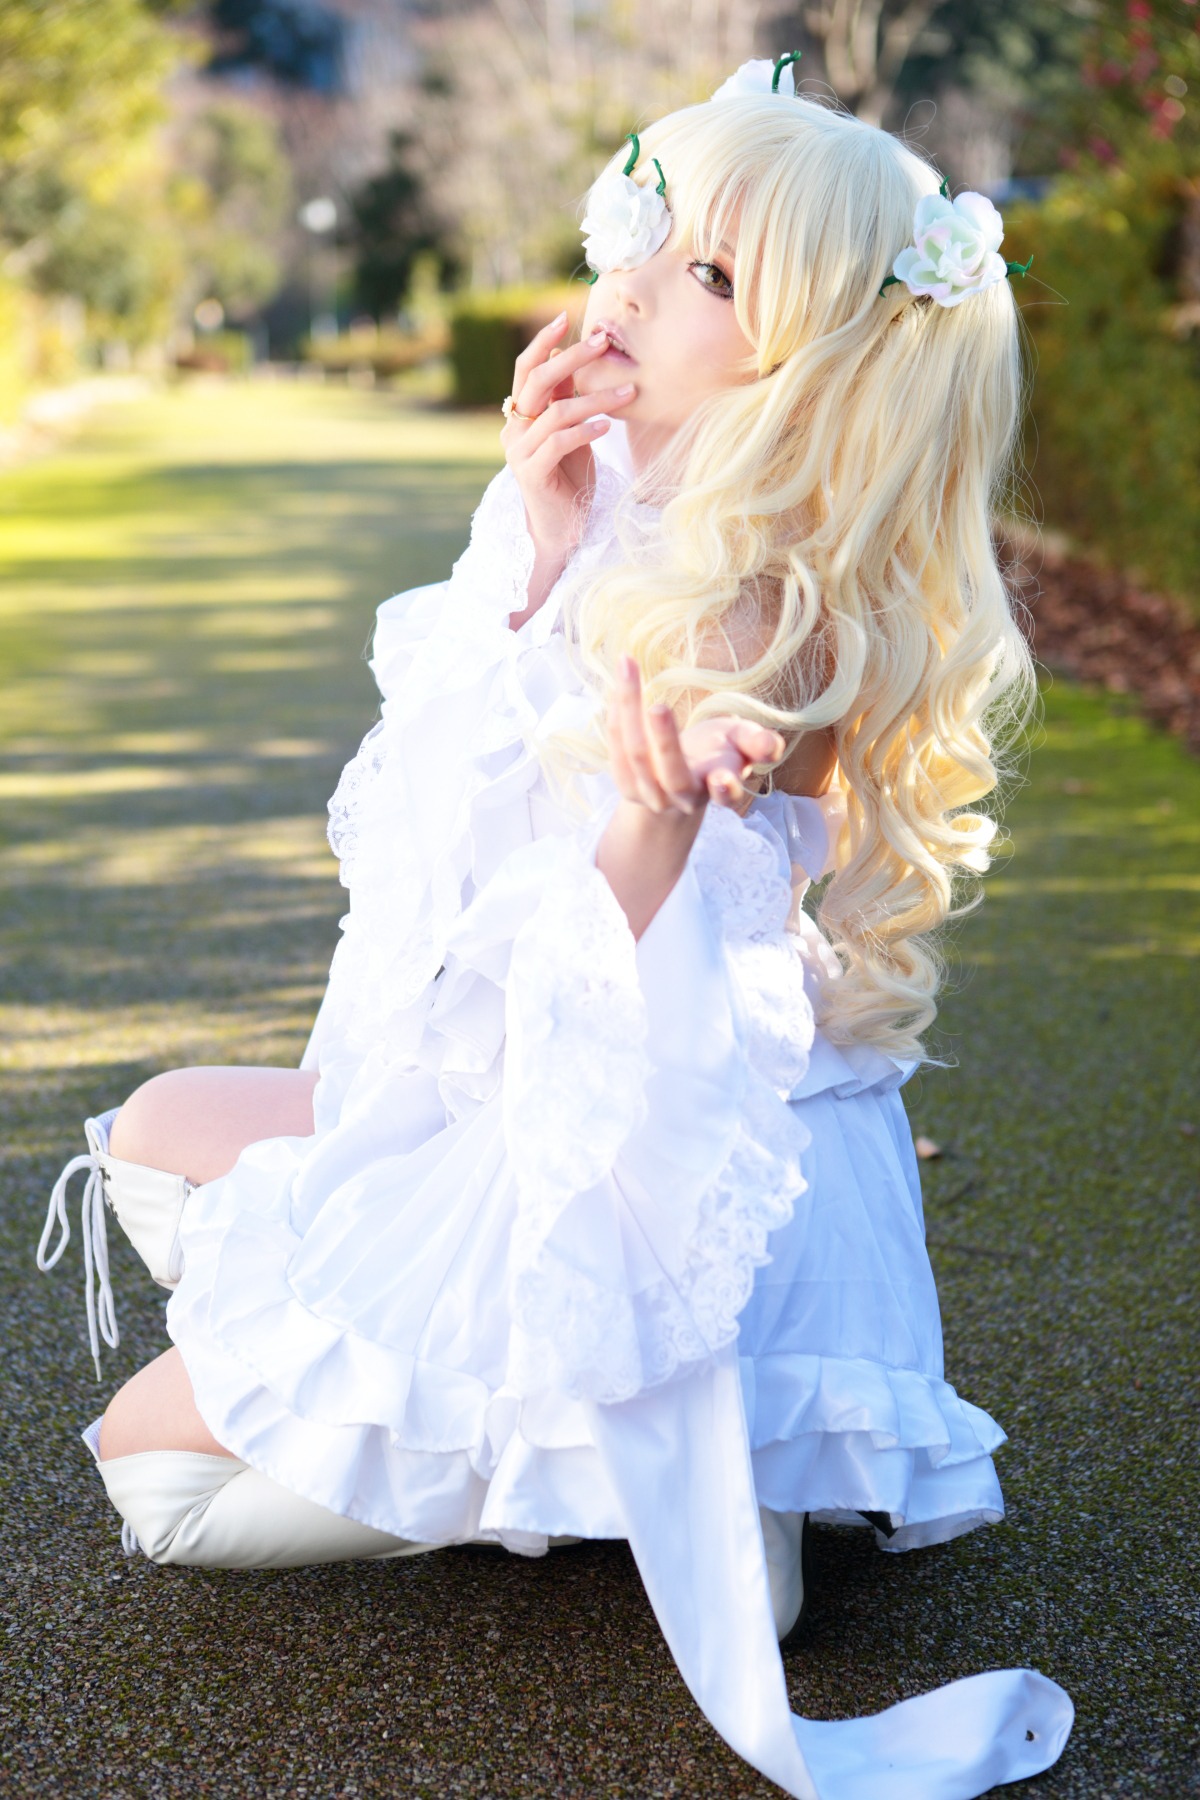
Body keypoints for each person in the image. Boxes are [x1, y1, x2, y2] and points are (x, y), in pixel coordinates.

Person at [39, 58, 1073, 1800]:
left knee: (163, 1482)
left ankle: (634, 1467)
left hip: (640, 1122)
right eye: (657, 230)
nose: (639, 280)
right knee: (150, 1136)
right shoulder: (643, 522)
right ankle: (574, 1443)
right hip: (532, 1060)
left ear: (812, 373)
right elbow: (422, 861)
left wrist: (650, 823)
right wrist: (534, 534)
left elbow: (619, 985)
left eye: (716, 280)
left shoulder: (762, 602)